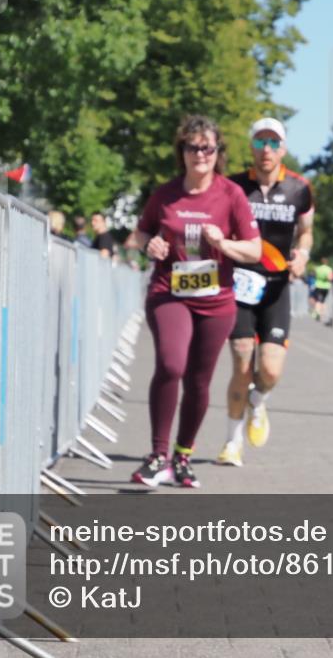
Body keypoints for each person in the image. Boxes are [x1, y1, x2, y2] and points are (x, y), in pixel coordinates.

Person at [124, 114, 261, 487]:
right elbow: (139, 235)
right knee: (171, 364)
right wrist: (150, 244)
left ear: (218, 152)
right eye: (192, 147)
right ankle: (158, 456)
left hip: (216, 302)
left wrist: (223, 244)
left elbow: (254, 250)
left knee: (199, 381)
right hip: (169, 292)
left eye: (208, 148)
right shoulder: (166, 194)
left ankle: (182, 456)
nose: (200, 154)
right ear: (182, 151)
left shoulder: (231, 195)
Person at [217, 117, 314, 468]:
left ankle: (258, 400)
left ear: (283, 149)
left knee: (270, 370)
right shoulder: (234, 186)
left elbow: (306, 231)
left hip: (276, 287)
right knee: (242, 361)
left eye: (273, 143)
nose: (267, 149)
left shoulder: (299, 188)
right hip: (240, 283)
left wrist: (302, 254)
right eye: (260, 142)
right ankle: (232, 442)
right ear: (252, 147)